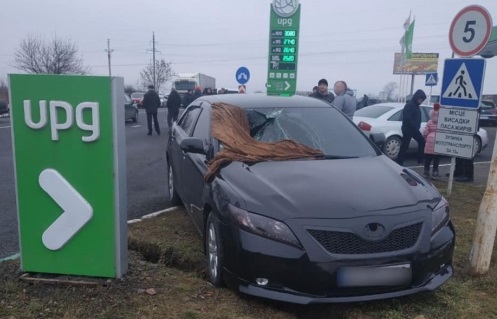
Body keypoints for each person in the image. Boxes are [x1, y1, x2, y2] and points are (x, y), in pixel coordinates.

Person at [396, 89, 427, 166]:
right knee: (405, 145)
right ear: (417, 97)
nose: (421, 101)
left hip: (414, 129)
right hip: (408, 129)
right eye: (420, 99)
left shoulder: (416, 106)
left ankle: (420, 159)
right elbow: (407, 118)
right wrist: (414, 127)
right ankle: (400, 161)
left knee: (421, 142)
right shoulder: (410, 105)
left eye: (422, 100)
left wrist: (416, 127)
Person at [423, 103, 441, 177]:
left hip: (429, 141)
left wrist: (425, 138)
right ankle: (435, 171)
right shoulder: (441, 123)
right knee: (436, 159)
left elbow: (425, 131)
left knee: (428, 158)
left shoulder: (429, 122)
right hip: (438, 141)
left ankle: (426, 171)